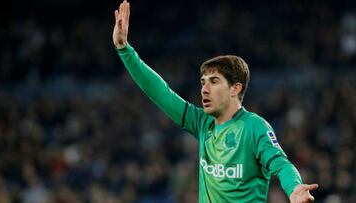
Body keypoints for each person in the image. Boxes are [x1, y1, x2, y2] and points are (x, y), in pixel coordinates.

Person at [112, 0, 318, 202]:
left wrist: (294, 188)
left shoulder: (254, 127)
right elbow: (160, 92)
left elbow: (280, 164)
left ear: (235, 89)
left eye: (214, 81)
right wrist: (124, 49)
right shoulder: (202, 123)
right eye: (203, 82)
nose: (205, 89)